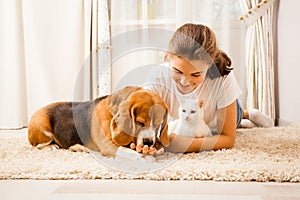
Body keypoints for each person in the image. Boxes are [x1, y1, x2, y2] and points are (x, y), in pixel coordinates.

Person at [144, 23, 274, 153]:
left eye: (195, 74)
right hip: (193, 118)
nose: (185, 82)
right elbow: (138, 114)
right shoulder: (158, 76)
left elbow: (228, 139)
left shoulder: (222, 77)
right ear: (168, 58)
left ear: (210, 64)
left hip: (218, 112)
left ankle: (247, 114)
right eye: (178, 71)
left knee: (234, 119)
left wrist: (187, 145)